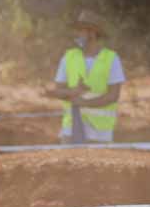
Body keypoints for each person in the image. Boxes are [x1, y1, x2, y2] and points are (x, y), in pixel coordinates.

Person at [46, 10, 125, 144]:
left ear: (92, 33)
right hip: (70, 131)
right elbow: (58, 90)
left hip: (100, 134)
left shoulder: (112, 59)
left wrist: (85, 103)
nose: (76, 35)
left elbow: (113, 95)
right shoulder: (68, 57)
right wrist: (73, 92)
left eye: (80, 31)